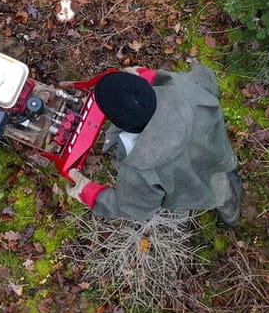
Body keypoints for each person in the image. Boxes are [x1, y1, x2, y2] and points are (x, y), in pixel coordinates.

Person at [64, 63, 242, 225]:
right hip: (214, 151)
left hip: (193, 185)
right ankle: (229, 195)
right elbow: (206, 77)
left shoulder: (139, 166)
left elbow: (132, 205)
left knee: (219, 192)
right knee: (221, 173)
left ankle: (231, 216)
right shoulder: (183, 89)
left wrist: (89, 192)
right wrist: (151, 76)